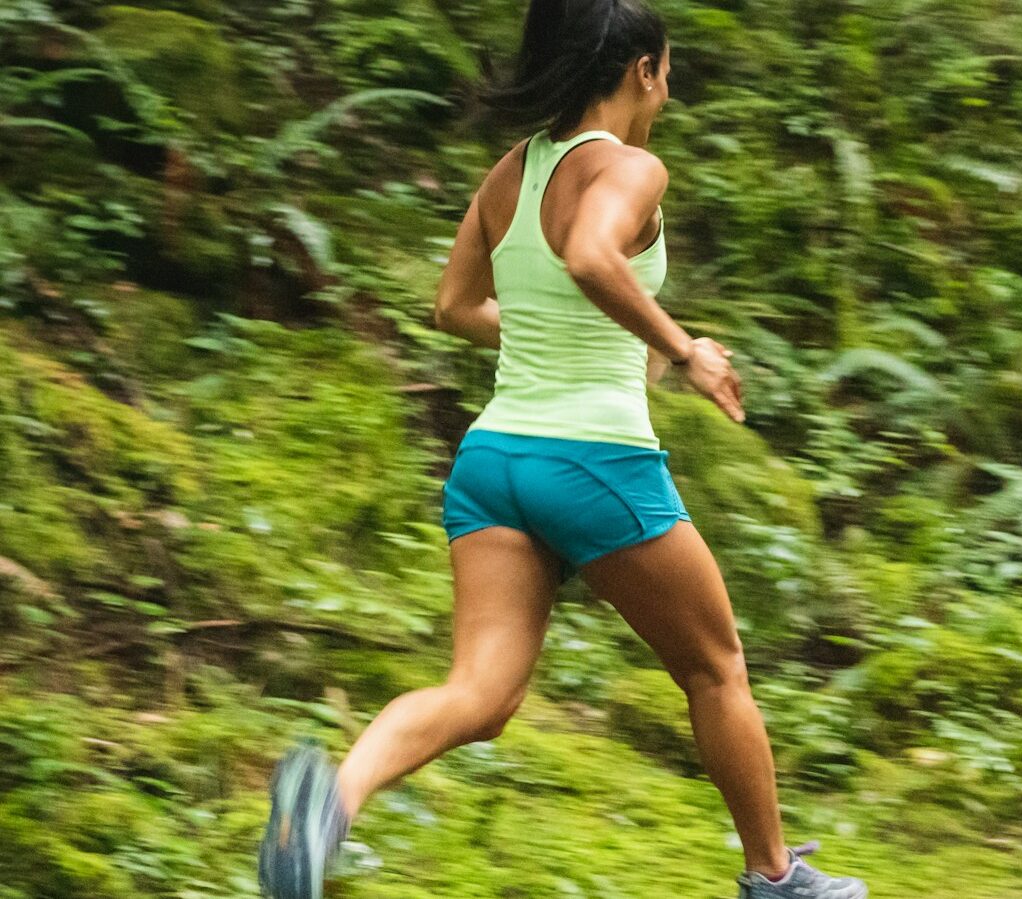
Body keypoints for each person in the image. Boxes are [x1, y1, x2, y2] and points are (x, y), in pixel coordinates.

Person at [255, 1, 869, 898]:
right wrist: (683, 348)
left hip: (494, 460)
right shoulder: (631, 168)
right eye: (668, 72)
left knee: (480, 694)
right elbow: (588, 254)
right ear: (641, 72)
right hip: (591, 459)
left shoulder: (512, 170)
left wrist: (593, 336)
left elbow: (455, 309)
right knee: (716, 667)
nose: (668, 91)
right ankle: (777, 880)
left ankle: (328, 804)